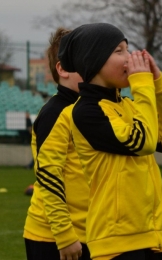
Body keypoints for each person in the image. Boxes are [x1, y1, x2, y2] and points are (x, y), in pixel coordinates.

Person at [58, 23, 162, 260]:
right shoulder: (87, 111)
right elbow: (143, 143)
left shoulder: (128, 106)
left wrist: (159, 86)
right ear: (93, 60)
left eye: (128, 49)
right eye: (119, 51)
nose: (129, 58)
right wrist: (142, 85)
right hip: (116, 243)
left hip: (153, 235)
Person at [23, 28, 90, 260]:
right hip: (55, 237)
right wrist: (64, 234)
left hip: (91, 233)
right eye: (87, 60)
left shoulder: (91, 109)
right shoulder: (55, 111)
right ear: (62, 69)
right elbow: (49, 175)